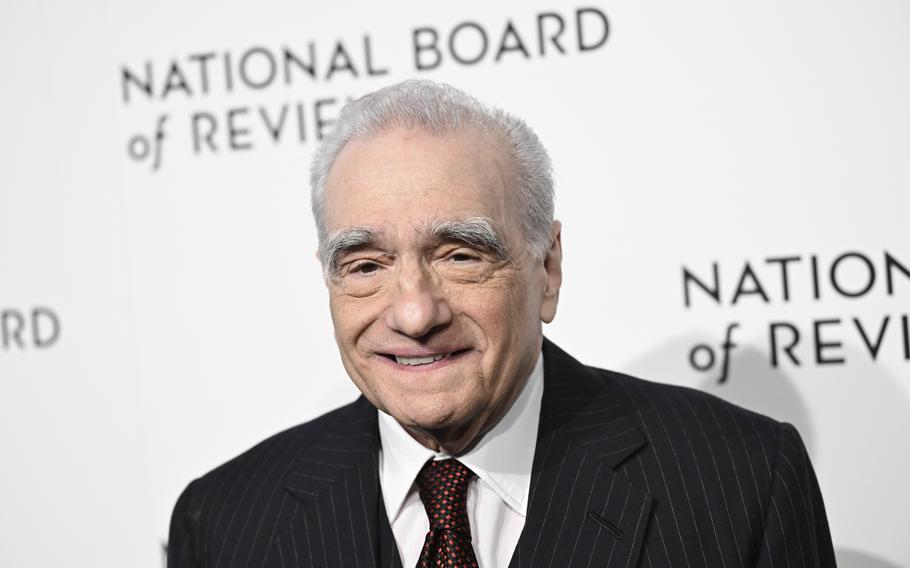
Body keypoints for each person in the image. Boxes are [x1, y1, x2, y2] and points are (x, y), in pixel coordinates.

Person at [168, 80, 836, 568]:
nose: (414, 313)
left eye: (460, 255)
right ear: (328, 278)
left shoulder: (742, 483)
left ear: (547, 270)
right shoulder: (222, 522)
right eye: (366, 265)